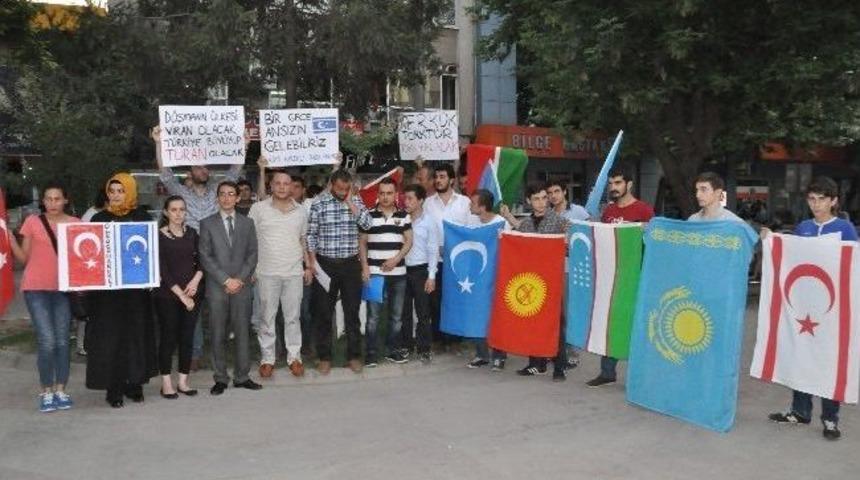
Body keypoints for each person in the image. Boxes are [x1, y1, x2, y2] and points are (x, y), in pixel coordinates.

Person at [765, 176, 857, 441]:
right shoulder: (803, 227)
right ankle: (800, 411)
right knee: (801, 355)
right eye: (812, 199)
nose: (816, 205)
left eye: (822, 200)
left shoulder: (844, 229)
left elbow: (852, 267)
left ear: (834, 201)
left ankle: (830, 418)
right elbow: (792, 259)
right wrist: (771, 239)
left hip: (832, 309)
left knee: (829, 361)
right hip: (803, 307)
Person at [152, 125, 246, 370]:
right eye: (197, 167)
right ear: (190, 171)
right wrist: (159, 142)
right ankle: (193, 353)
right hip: (189, 256)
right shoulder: (180, 192)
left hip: (217, 257)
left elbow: (235, 172)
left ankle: (221, 352)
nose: (202, 170)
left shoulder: (219, 191)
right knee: (189, 304)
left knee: (219, 308)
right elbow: (165, 173)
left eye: (205, 167)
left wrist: (243, 143)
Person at [87, 173, 158, 408]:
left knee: (135, 337)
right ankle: (114, 388)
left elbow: (151, 252)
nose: (116, 195)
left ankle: (134, 384)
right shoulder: (98, 219)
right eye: (112, 191)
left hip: (135, 292)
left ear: (130, 192)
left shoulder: (142, 218)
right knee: (112, 339)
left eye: (121, 191)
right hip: (107, 296)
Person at [7, 184, 79, 412]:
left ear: (65, 200)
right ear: (43, 201)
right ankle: (46, 391)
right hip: (35, 288)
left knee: (62, 341)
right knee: (47, 340)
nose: (53, 203)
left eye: (57, 198)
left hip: (63, 290)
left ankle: (61, 389)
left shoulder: (76, 224)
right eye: (48, 199)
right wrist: (9, 239)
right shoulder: (33, 222)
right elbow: (24, 259)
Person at [586, 164, 654, 388]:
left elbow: (655, 242)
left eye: (618, 183)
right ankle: (607, 372)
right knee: (611, 322)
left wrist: (646, 229)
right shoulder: (609, 212)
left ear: (629, 184)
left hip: (636, 276)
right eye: (611, 184)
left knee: (636, 325)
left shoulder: (644, 210)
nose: (613, 188)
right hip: (612, 276)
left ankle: (640, 374)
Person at [500, 184, 571, 381]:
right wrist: (505, 238)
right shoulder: (526, 224)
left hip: (552, 282)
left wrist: (565, 243)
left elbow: (571, 246)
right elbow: (518, 246)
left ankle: (559, 366)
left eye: (544, 197)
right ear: (529, 201)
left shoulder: (560, 222)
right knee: (532, 321)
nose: (541, 202)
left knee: (555, 325)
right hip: (531, 283)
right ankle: (535, 364)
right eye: (537, 198)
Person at [307, 169, 373, 374]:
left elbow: (368, 224)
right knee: (324, 313)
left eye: (346, 188)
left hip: (350, 265)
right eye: (339, 189)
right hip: (325, 264)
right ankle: (325, 357)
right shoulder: (319, 203)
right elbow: (311, 235)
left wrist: (351, 203)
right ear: (331, 185)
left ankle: (354, 356)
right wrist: (312, 263)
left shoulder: (356, 202)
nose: (343, 192)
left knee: (352, 313)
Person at [198, 181, 261, 395]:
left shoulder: (248, 223)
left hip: (242, 286)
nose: (226, 198)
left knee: (243, 332)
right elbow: (205, 256)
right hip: (217, 287)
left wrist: (239, 279)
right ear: (218, 198)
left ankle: (242, 376)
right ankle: (220, 378)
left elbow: (253, 254)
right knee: (218, 333)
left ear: (237, 198)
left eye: (231, 194)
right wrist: (226, 280)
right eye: (222, 194)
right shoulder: (207, 223)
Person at [248, 170, 311, 378]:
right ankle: (268, 359)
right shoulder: (258, 209)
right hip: (266, 273)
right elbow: (251, 241)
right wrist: (252, 269)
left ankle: (294, 358)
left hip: (294, 272)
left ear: (292, 186)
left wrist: (308, 266)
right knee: (267, 318)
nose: (283, 187)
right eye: (278, 183)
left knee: (293, 318)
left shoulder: (301, 211)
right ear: (271, 185)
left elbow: (303, 241)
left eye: (287, 183)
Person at [359, 177, 413, 367]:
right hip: (374, 274)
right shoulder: (368, 215)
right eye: (382, 193)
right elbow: (362, 242)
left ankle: (392, 351)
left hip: (398, 274)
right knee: (373, 317)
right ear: (378, 194)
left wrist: (396, 259)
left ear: (395, 194)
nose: (385, 196)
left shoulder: (404, 215)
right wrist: (364, 266)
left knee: (396, 317)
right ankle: (371, 354)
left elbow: (409, 241)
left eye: (389, 193)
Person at [154, 195, 203, 399]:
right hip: (167, 296)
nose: (178, 214)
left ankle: (183, 381)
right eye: (173, 210)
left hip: (193, 294)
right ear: (166, 212)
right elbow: (162, 270)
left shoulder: (192, 234)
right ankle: (166, 383)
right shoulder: (158, 236)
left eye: (182, 209)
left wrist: (195, 282)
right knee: (168, 338)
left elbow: (202, 262)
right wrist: (181, 296)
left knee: (187, 338)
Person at [424, 163, 472, 349]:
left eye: (442, 176)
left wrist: (454, 248)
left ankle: (456, 339)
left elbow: (469, 230)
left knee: (456, 299)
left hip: (459, 262)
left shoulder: (464, 202)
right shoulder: (428, 203)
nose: (438, 180)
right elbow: (427, 230)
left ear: (452, 179)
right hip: (435, 261)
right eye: (436, 177)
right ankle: (439, 339)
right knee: (436, 300)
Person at [465, 189, 510, 371]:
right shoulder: (471, 222)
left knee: (497, 316)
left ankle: (499, 356)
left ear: (482, 206)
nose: (470, 205)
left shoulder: (501, 223)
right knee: (477, 315)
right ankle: (482, 354)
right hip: (477, 277)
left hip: (497, 276)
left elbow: (510, 248)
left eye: (473, 203)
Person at [401, 184, 438, 364]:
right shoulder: (400, 219)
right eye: (405, 198)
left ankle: (424, 348)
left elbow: (433, 250)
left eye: (410, 198)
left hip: (421, 271)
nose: (406, 202)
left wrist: (431, 276)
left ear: (420, 200)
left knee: (423, 313)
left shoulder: (429, 221)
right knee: (404, 312)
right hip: (401, 270)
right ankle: (406, 346)